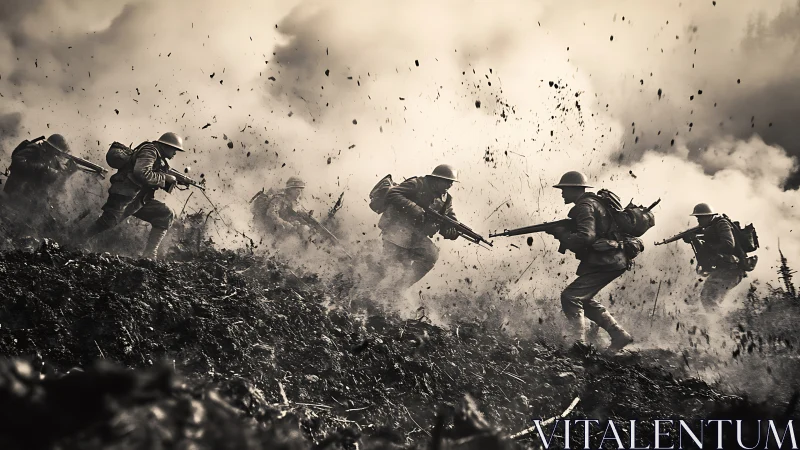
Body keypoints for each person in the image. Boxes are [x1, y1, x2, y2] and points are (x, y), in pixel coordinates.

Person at [546, 171, 637, 351]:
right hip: (612, 259)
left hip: (608, 260)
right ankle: (619, 335)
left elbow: (586, 237)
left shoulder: (585, 206)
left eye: (564, 189)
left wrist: (562, 234)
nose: (562, 193)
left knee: (570, 297)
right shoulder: (594, 203)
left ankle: (578, 344)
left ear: (575, 189)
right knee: (584, 300)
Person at [82, 132, 187, 259]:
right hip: (124, 194)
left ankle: (149, 254)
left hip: (138, 199)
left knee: (165, 214)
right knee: (108, 221)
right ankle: (78, 238)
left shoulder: (158, 158)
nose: (175, 154)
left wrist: (172, 180)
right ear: (166, 146)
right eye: (174, 150)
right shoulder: (150, 151)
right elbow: (141, 172)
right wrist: (165, 177)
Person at [376, 164, 460, 293]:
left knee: (431, 255)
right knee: (391, 268)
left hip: (416, 236)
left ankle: (398, 289)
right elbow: (393, 193)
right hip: (397, 230)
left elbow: (448, 220)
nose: (450, 185)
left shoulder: (446, 199)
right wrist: (414, 208)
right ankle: (368, 286)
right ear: (437, 179)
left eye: (451, 183)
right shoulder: (417, 184)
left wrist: (451, 232)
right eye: (447, 182)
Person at [1, 134, 79, 236]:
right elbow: (17, 161)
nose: (57, 155)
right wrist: (42, 167)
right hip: (16, 192)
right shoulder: (34, 150)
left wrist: (68, 173)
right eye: (57, 152)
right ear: (50, 147)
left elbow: (53, 182)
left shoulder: (53, 160)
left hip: (31, 198)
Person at [684, 203, 746, 309]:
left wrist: (705, 242)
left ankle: (719, 323)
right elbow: (704, 256)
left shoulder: (722, 224)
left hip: (731, 269)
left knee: (708, 297)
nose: (698, 221)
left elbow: (729, 244)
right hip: (725, 270)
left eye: (700, 218)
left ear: (708, 216)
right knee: (711, 298)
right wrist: (694, 240)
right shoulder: (709, 228)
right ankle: (721, 320)